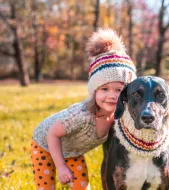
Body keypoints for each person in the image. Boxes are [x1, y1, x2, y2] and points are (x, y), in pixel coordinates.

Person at [30, 28, 136, 190]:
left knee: (82, 186)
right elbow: (53, 133)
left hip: (72, 151)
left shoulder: (119, 118)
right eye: (104, 89)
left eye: (119, 90)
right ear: (94, 91)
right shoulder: (82, 115)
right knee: (46, 186)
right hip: (44, 144)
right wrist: (61, 167)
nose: (112, 96)